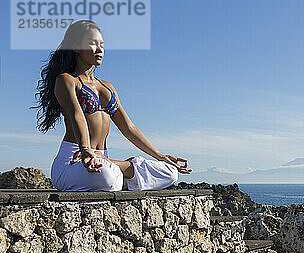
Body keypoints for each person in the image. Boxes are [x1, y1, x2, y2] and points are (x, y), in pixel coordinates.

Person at [33, 20, 191, 191]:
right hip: (74, 161)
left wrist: (161, 156)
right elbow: (77, 115)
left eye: (102, 44)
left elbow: (129, 128)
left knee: (170, 173)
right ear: (76, 47)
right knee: (108, 177)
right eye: (93, 43)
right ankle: (123, 171)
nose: (100, 49)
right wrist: (86, 149)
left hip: (101, 161)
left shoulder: (108, 87)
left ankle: (116, 167)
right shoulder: (67, 80)